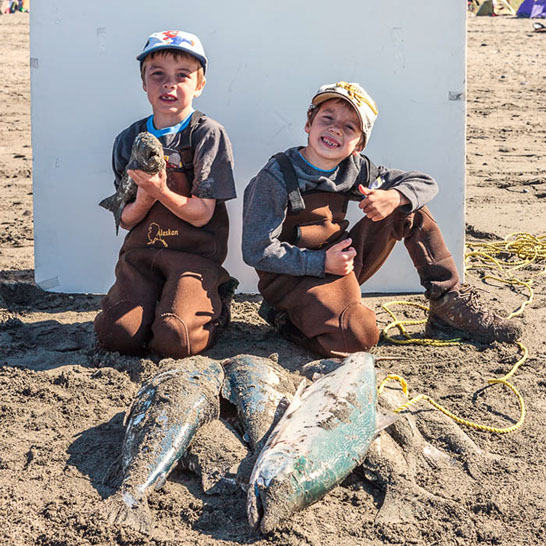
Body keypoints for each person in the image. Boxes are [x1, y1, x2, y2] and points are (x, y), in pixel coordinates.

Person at [242, 81, 521, 357]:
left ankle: (447, 303)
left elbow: (425, 183)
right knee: (359, 337)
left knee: (408, 209)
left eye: (349, 127)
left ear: (359, 145)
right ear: (309, 123)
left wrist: (394, 196)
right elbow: (256, 250)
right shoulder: (277, 176)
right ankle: (286, 321)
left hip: (340, 264)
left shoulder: (356, 169)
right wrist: (321, 262)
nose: (336, 129)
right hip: (291, 279)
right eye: (327, 118)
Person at [94, 30, 237, 358]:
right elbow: (126, 219)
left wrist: (160, 190)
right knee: (117, 335)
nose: (169, 85)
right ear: (143, 82)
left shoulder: (207, 135)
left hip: (194, 256)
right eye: (157, 75)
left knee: (175, 338)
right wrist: (145, 197)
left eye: (182, 76)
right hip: (142, 253)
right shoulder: (128, 139)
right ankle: (150, 301)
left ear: (200, 84)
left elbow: (202, 214)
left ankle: (216, 299)